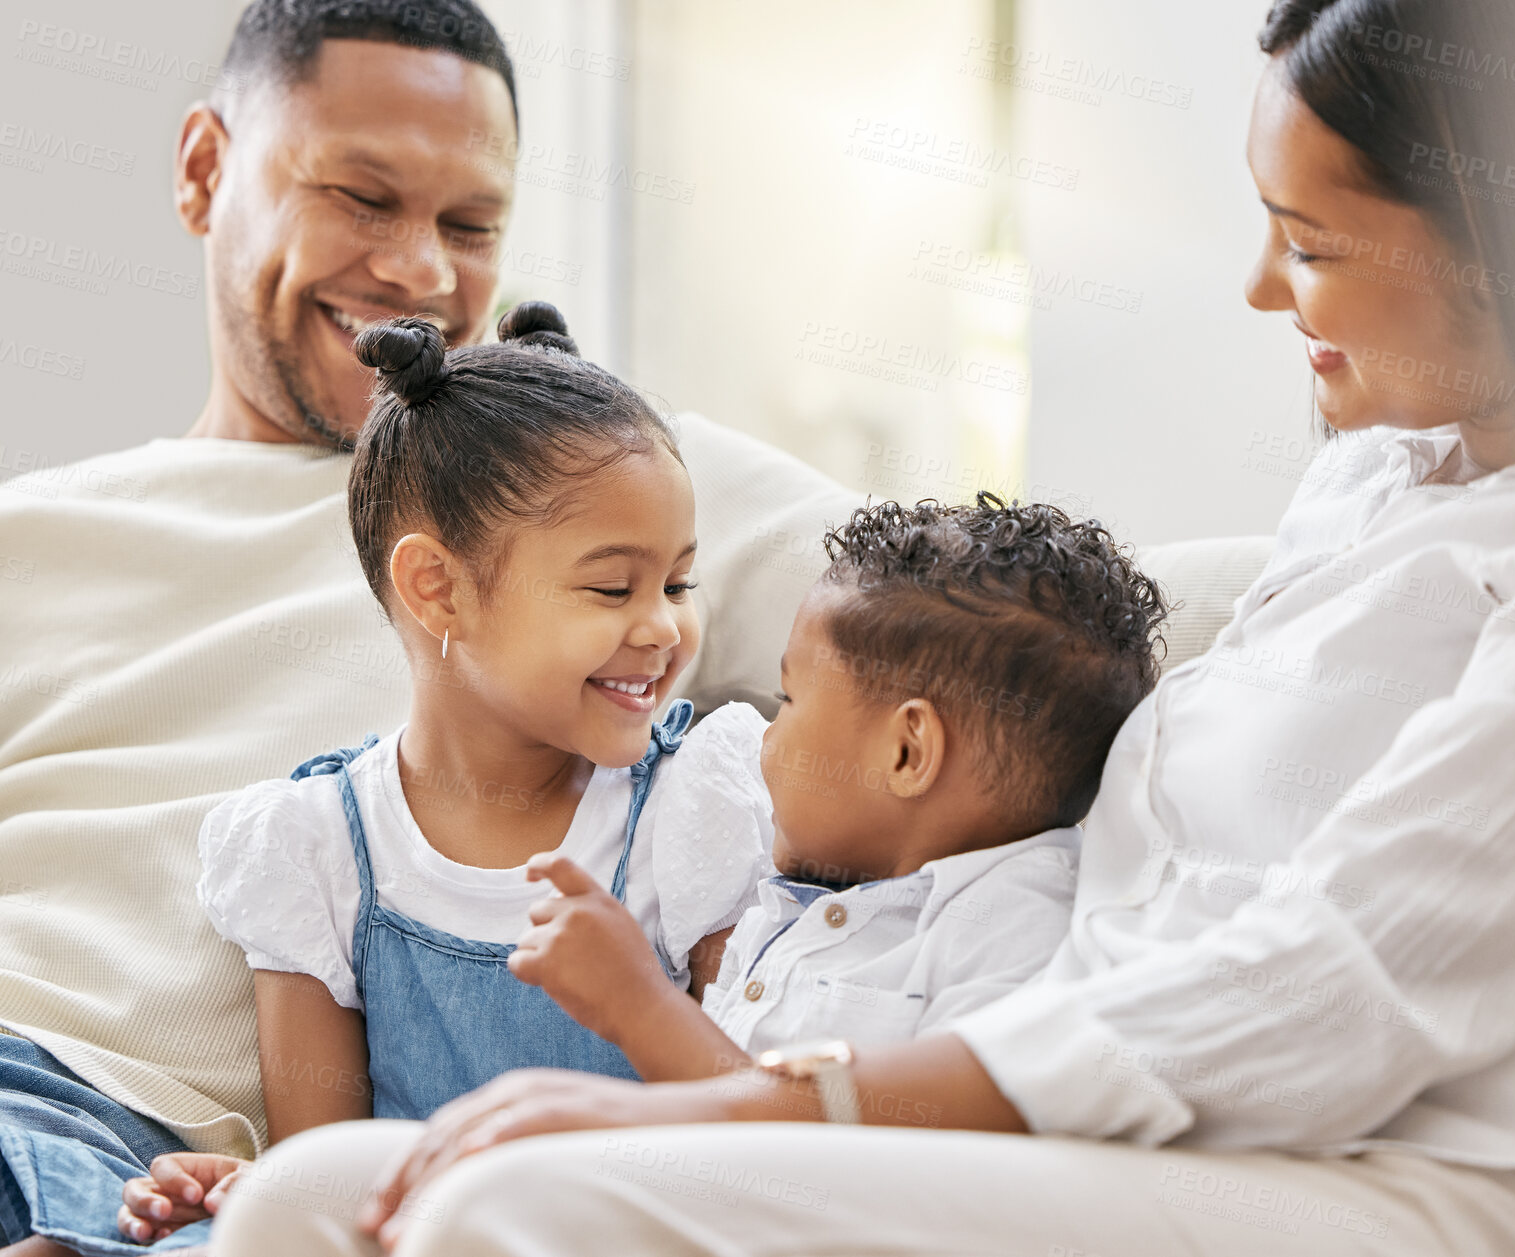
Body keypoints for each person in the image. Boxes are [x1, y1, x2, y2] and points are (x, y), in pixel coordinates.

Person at [209, 1, 1515, 1253]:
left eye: (1307, 242)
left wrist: (778, 1113)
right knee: (313, 1198)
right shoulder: (1384, 473)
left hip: (1367, 1166)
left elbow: (1321, 993)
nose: (1257, 288)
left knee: (514, 1203)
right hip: (1109, 1105)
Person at [0, 2, 857, 1255]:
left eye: (471, 225)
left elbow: (962, 603)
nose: (420, 273)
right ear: (203, 171)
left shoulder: (592, 477)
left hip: (151, 1161)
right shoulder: (33, 533)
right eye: (361, 196)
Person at [103, 304, 775, 1246]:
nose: (664, 627)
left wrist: (640, 1001)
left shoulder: (691, 802)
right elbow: (327, 1172)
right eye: (613, 587)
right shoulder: (317, 845)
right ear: (437, 587)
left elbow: (761, 1138)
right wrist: (252, 1192)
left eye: (678, 584)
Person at [497, 497, 1169, 1085]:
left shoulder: (1016, 934)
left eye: (788, 699)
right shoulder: (784, 905)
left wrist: (639, 1007)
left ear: (906, 752)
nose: (765, 738)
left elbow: (854, 1157)